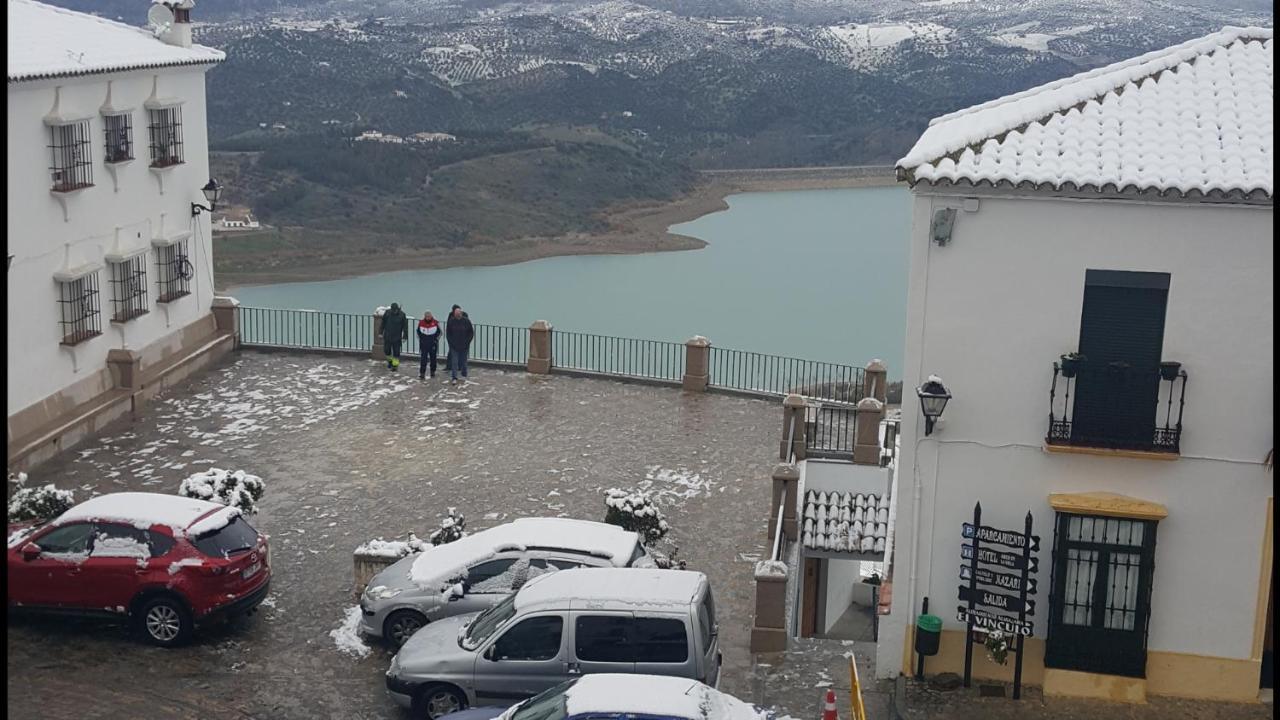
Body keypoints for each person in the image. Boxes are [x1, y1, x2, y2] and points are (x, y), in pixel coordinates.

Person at [445, 304, 474, 384]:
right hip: (454, 346)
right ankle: (454, 377)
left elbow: (471, 333)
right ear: (454, 314)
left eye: (459, 314)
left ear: (461, 314)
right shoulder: (451, 321)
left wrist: (467, 342)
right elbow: (448, 333)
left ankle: (464, 373)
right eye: (456, 314)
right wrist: (451, 343)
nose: (457, 316)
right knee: (454, 361)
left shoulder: (466, 321)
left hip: (464, 345)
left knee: (463, 361)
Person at [381, 303, 408, 371]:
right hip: (387, 336)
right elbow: (383, 323)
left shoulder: (402, 315)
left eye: (395, 310)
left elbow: (405, 327)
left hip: (397, 337)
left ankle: (395, 365)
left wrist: (405, 336)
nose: (394, 311)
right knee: (386, 350)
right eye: (393, 310)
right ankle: (390, 361)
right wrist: (380, 332)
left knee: (396, 352)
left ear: (397, 309)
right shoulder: (387, 313)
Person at [416, 310, 440, 379]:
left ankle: (432, 371)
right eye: (426, 316)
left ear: (431, 316)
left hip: (433, 344)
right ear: (424, 317)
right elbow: (418, 332)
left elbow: (440, 333)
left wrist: (436, 340)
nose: (428, 318)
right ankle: (422, 373)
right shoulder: (421, 323)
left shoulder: (435, 323)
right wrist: (421, 340)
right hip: (424, 344)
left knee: (433, 359)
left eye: (429, 316)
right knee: (423, 359)